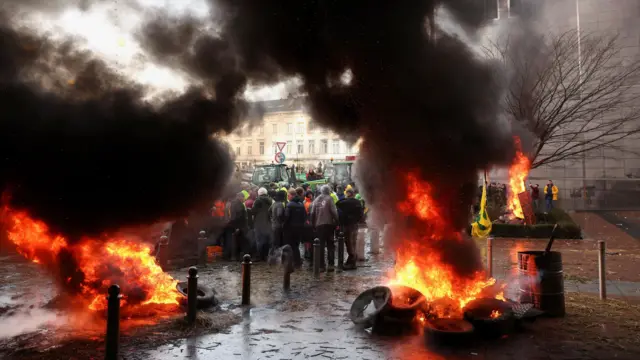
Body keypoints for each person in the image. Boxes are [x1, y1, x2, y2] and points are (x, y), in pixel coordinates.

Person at [311, 185, 339, 272]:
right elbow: (334, 212)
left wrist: (313, 224)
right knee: (330, 244)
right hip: (329, 225)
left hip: (319, 225)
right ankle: (331, 264)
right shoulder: (329, 199)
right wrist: (337, 222)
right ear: (329, 191)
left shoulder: (316, 200)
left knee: (320, 246)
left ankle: (321, 265)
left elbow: (312, 213)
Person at [336, 188, 364, 270]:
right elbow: (361, 215)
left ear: (348, 194)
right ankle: (351, 260)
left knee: (349, 243)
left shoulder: (345, 202)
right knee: (353, 243)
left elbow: (338, 203)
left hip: (347, 225)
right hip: (355, 225)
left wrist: (346, 198)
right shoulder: (357, 202)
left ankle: (352, 262)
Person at [283, 188, 306, 267]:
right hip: (299, 228)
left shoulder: (289, 205)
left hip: (291, 229)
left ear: (292, 195)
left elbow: (286, 217)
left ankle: (295, 261)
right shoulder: (301, 204)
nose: (288, 197)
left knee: (292, 245)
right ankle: (297, 260)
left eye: (288, 195)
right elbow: (304, 217)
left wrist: (284, 226)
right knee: (296, 245)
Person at [252, 188, 273, 261]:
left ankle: (259, 256)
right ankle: (266, 255)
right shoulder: (270, 200)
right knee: (267, 239)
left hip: (259, 222)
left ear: (259, 193)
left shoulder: (257, 200)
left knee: (259, 240)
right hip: (268, 222)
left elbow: (253, 211)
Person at [229, 192, 249, 260]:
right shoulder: (239, 204)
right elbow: (238, 216)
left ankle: (235, 256)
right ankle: (236, 256)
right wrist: (237, 227)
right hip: (240, 226)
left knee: (236, 240)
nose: (244, 199)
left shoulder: (233, 203)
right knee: (240, 241)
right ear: (240, 197)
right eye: (243, 198)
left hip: (236, 225)